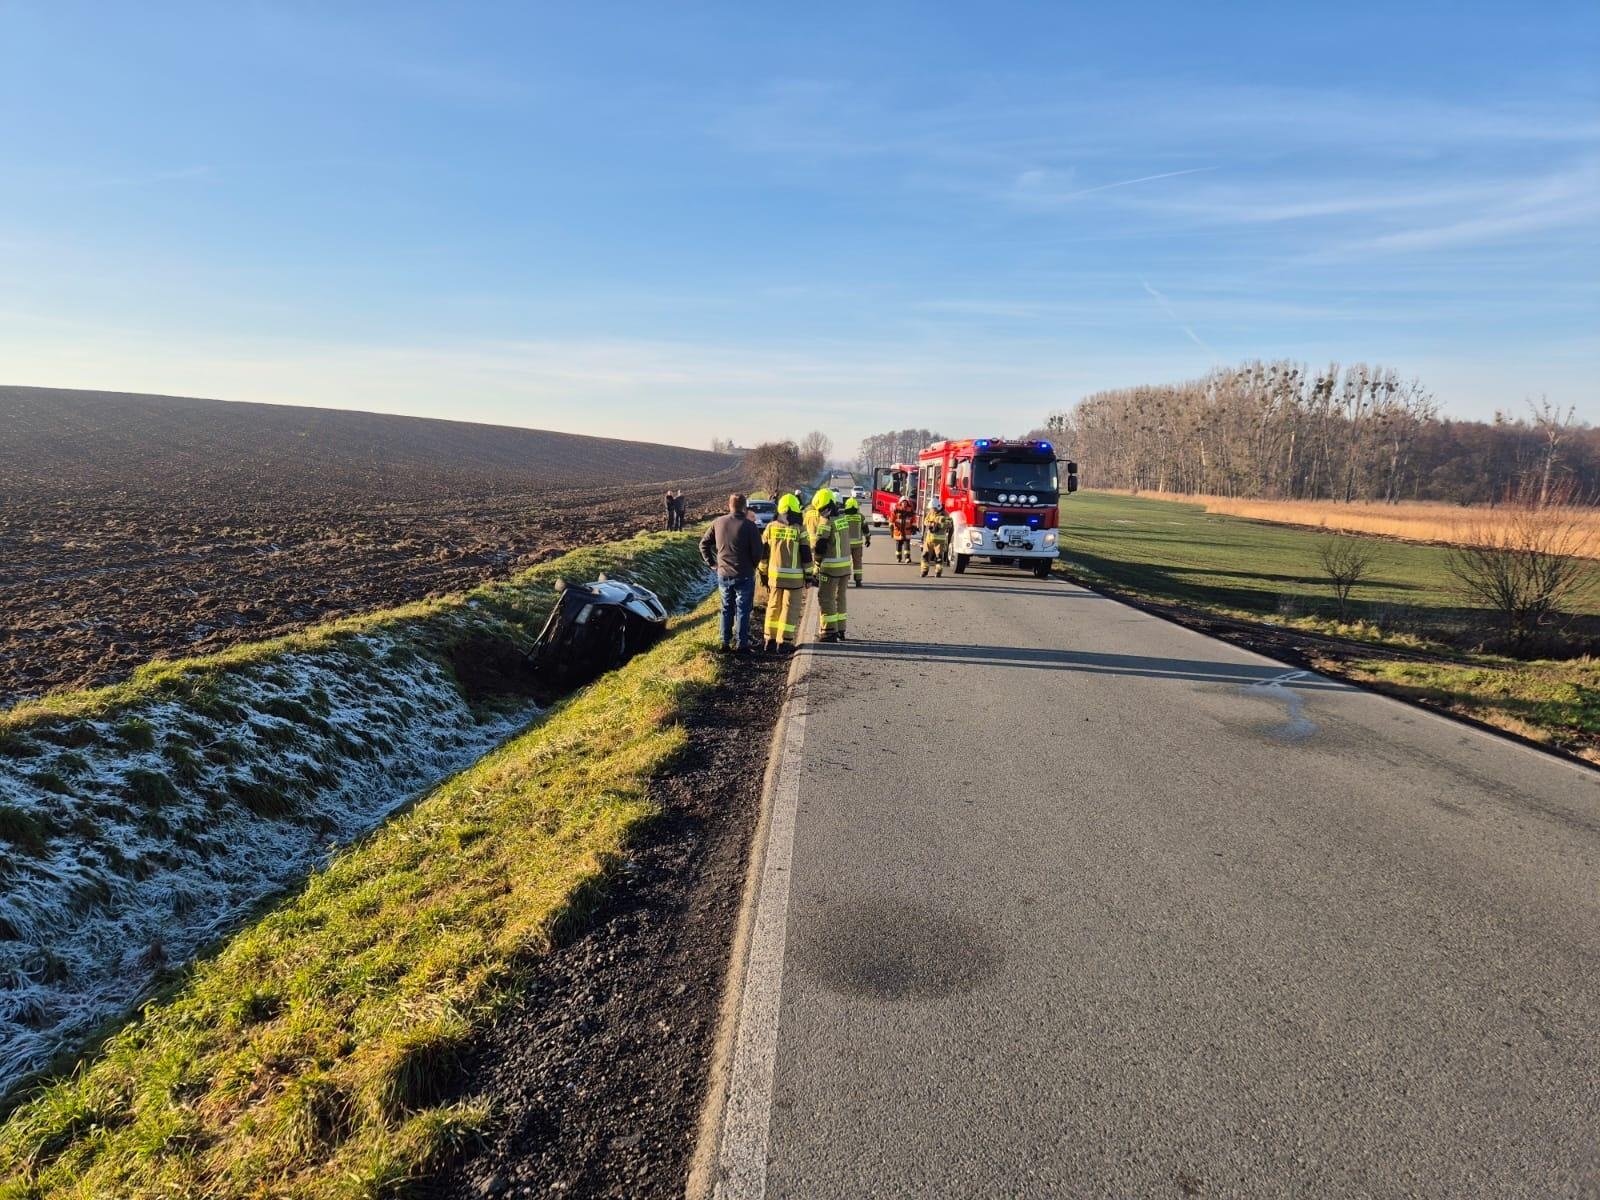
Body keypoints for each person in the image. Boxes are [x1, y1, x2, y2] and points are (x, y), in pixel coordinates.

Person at [699, 493, 764, 652]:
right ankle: (742, 644)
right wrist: (753, 565)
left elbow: (703, 544)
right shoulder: (750, 526)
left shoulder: (718, 522)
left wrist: (712, 563)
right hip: (745, 574)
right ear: (744, 507)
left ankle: (724, 643)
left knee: (726, 608)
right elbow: (758, 552)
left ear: (729, 505)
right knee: (743, 610)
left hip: (724, 574)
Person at [760, 493, 812, 653]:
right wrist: (809, 576)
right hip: (794, 579)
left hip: (774, 577)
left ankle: (769, 639)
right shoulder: (800, 529)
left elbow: (764, 553)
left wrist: (763, 572)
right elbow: (806, 554)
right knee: (790, 608)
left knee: (773, 606)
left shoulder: (771, 527)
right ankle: (784, 642)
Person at [809, 488, 853, 641]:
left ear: (826, 507)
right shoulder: (843, 519)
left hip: (830, 569)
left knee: (826, 598)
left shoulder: (826, 522)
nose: (819, 513)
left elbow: (820, 547)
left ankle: (828, 632)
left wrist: (816, 565)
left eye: (820, 510)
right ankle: (841, 629)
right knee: (840, 598)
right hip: (845, 567)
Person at [843, 496, 870, 587]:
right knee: (857, 562)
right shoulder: (860, 517)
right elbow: (866, 530)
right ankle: (858, 581)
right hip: (858, 545)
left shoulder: (843, 517)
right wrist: (868, 539)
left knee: (846, 563)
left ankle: (846, 581)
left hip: (846, 545)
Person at [921, 499, 953, 578]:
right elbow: (925, 521)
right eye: (931, 508)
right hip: (929, 539)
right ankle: (924, 571)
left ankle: (938, 571)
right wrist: (931, 524)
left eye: (933, 508)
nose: (931, 510)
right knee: (925, 555)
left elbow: (949, 525)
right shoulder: (930, 513)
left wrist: (939, 525)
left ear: (937, 507)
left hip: (939, 541)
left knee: (938, 557)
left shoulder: (945, 514)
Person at [890, 496, 917, 564]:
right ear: (900, 503)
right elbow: (891, 519)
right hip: (898, 531)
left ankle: (907, 558)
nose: (904, 504)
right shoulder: (896, 510)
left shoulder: (910, 511)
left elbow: (913, 519)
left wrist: (914, 527)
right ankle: (898, 557)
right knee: (898, 545)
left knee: (907, 545)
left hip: (907, 531)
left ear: (907, 503)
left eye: (905, 502)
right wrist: (891, 528)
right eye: (903, 502)